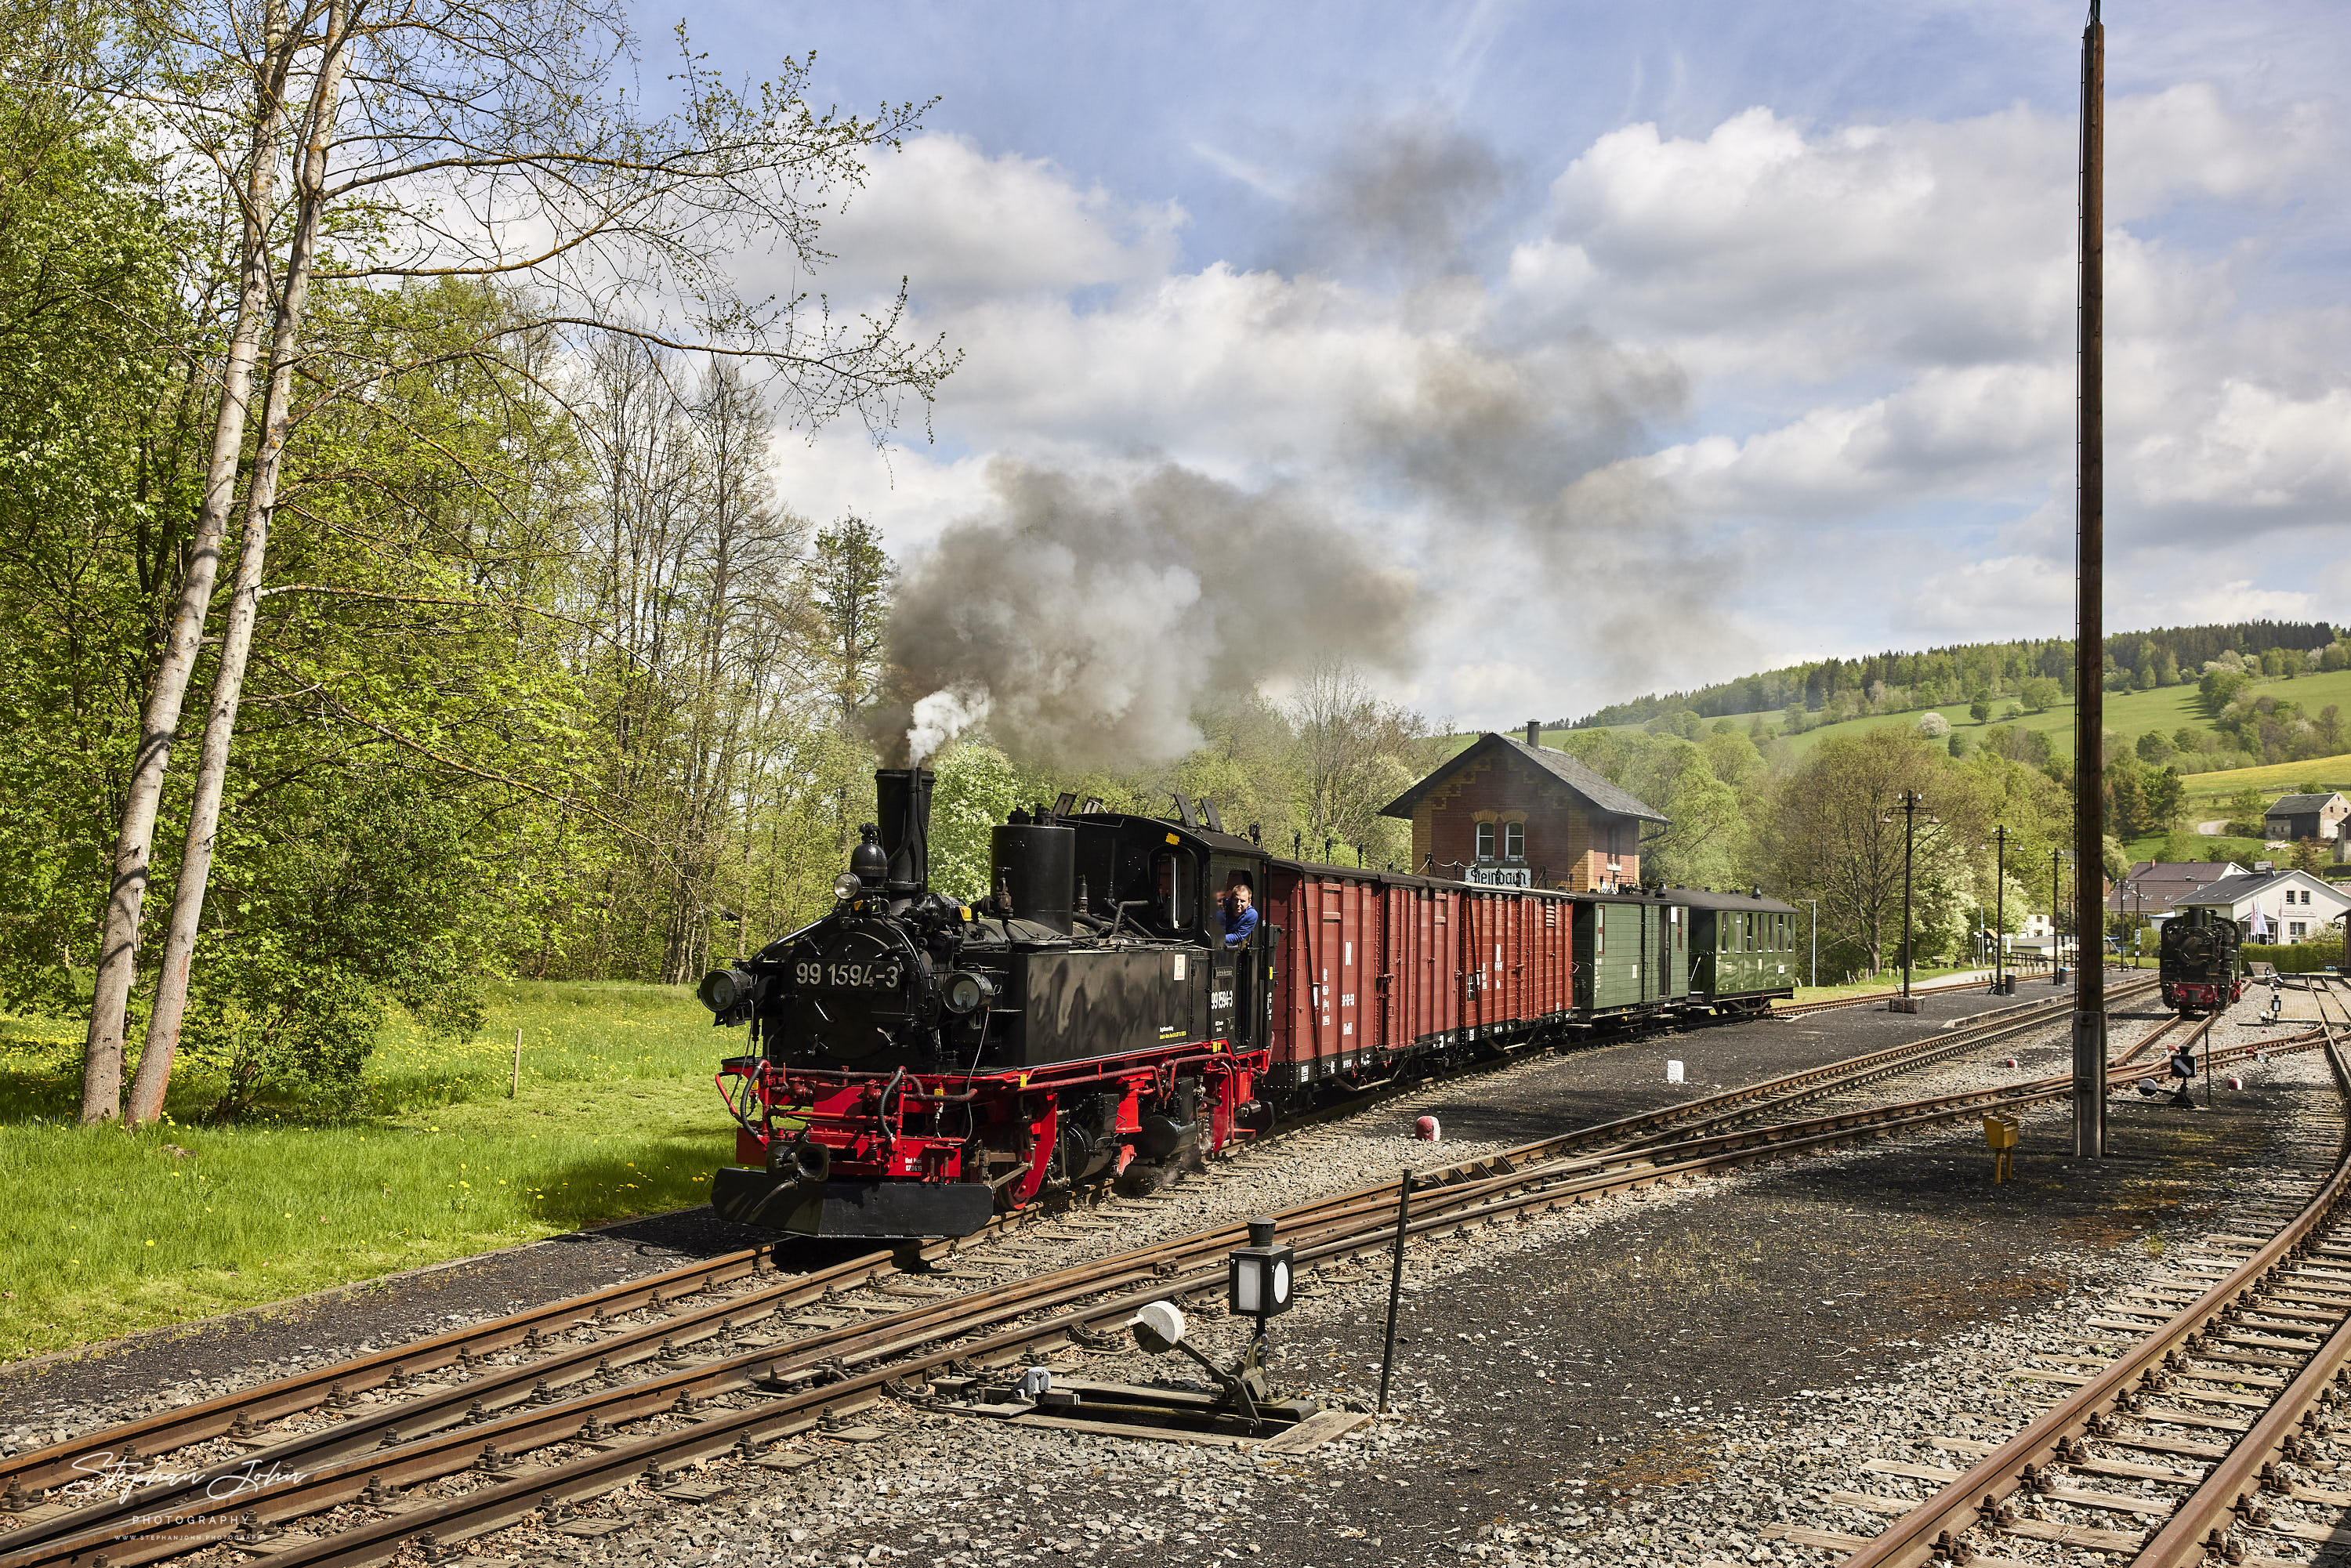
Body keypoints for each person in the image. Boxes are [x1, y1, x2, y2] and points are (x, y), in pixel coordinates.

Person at [1218, 882, 1258, 949]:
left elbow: (1237, 936)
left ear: (1249, 902)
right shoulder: (1222, 906)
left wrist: (1218, 938)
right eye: (1236, 900)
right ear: (1231, 900)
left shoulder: (1252, 915)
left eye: (1242, 901)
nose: (1238, 904)